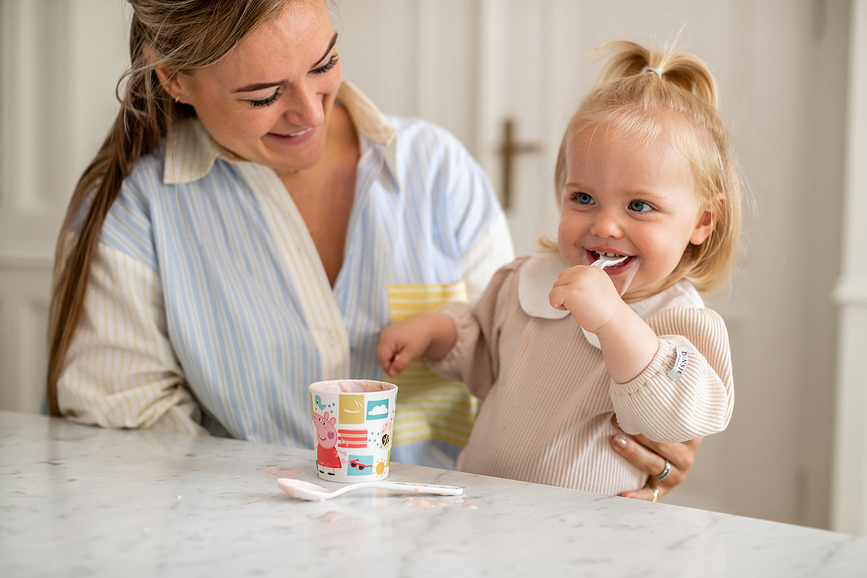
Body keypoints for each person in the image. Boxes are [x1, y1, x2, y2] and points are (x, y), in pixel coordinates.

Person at [46, 0, 696, 500]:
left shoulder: (437, 172)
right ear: (176, 81)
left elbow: (528, 366)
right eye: (263, 95)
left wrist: (630, 429)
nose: (308, 112)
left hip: (456, 540)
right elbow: (123, 438)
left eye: (323, 63)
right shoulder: (135, 212)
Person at [378, 40, 739, 498]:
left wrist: (611, 319)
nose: (605, 224)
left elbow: (674, 415)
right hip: (483, 514)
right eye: (583, 198)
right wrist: (433, 331)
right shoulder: (528, 279)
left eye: (640, 205)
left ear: (703, 221)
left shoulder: (681, 322)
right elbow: (483, 347)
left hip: (588, 538)